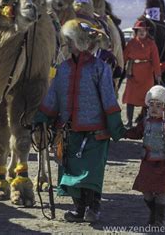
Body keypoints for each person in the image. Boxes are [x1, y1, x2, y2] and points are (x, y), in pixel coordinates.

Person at [35, 18, 127, 223]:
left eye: (70, 41)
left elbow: (109, 99)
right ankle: (78, 208)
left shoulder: (100, 68)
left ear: (81, 43)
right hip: (69, 133)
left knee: (91, 173)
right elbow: (53, 97)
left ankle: (93, 206)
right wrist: (41, 117)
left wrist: (116, 127)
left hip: (95, 134)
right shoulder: (64, 69)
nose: (67, 45)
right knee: (72, 170)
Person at [124, 85, 165, 226]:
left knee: (161, 192)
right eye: (151, 105)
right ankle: (153, 213)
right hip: (147, 162)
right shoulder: (145, 122)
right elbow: (136, 133)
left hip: (163, 164)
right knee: (146, 191)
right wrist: (122, 132)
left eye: (158, 105)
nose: (154, 108)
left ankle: (159, 219)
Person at [122, 19, 161, 128]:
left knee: (147, 99)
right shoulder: (131, 43)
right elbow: (124, 57)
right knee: (130, 99)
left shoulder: (151, 44)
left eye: (144, 30)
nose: (142, 32)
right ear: (136, 31)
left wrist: (158, 74)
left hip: (147, 75)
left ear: (146, 31)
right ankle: (129, 121)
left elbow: (156, 60)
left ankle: (144, 121)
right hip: (133, 75)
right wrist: (119, 67)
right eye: (139, 30)